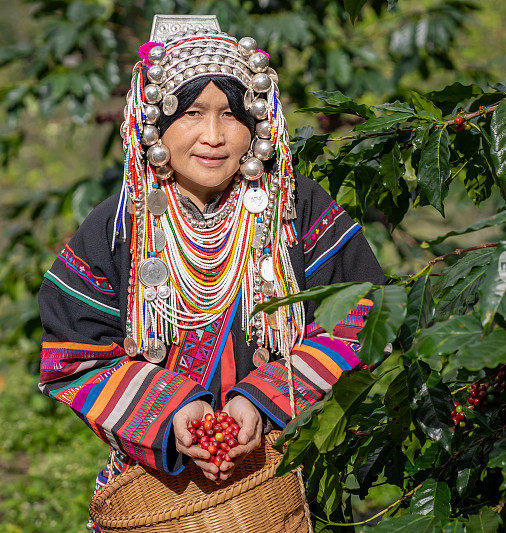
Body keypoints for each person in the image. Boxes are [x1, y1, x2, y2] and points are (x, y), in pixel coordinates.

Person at [37, 14, 383, 527]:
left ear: (257, 122)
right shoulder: (117, 226)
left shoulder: (296, 207)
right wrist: (173, 413)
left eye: (231, 114)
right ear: (155, 124)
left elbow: (364, 314)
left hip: (284, 469)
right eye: (193, 113)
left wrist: (262, 402)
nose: (214, 136)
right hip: (155, 489)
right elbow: (74, 354)